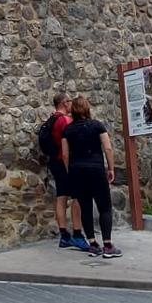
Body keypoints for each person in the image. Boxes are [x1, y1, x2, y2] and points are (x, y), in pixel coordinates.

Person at [61, 96, 122, 258]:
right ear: (88, 108)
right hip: (96, 169)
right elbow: (107, 148)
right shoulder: (97, 126)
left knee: (85, 207)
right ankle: (108, 245)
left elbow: (65, 154)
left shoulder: (67, 130)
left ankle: (93, 244)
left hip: (77, 170)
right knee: (104, 207)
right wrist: (111, 168)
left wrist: (70, 171)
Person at [46, 92, 87, 249]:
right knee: (77, 198)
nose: (71, 104)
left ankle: (64, 235)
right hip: (67, 162)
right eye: (69, 101)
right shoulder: (65, 120)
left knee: (61, 197)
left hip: (55, 162)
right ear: (64, 103)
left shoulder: (52, 118)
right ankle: (77, 233)